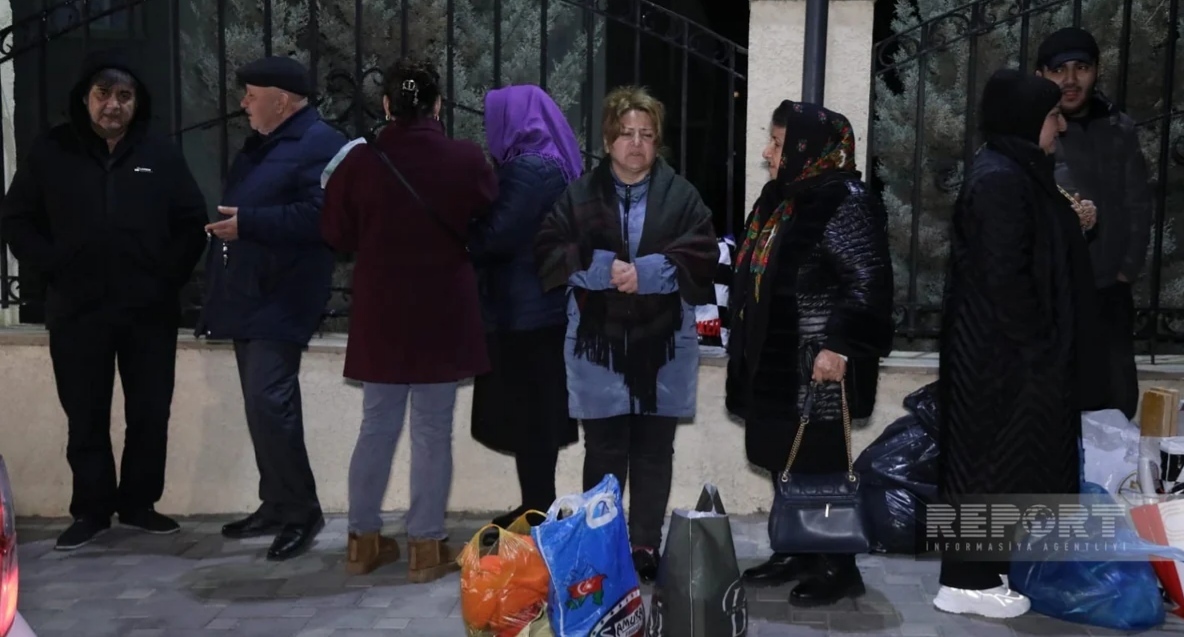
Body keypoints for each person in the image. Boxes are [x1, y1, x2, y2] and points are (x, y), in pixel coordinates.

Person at [0, 49, 207, 551]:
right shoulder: (52, 150)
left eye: (124, 95)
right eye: (103, 94)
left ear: (137, 101)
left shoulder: (161, 152)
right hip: (77, 310)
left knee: (149, 412)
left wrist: (166, 278)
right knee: (85, 415)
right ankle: (91, 510)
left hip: (149, 312)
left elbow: (190, 223)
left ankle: (139, 504)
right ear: (84, 97)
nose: (113, 105)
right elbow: (16, 219)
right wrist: (53, 265)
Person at [933, 69, 1107, 619]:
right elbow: (1004, 275)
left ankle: (987, 572)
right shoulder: (999, 179)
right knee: (985, 466)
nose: (1060, 126)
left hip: (1009, 355)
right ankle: (964, 583)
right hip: (999, 358)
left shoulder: (1016, 171)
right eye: (1052, 116)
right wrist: (1039, 343)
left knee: (1003, 466)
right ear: (1025, 120)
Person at [321, 57, 498, 580]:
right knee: (432, 431)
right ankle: (425, 545)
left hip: (381, 311)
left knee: (376, 425)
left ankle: (362, 541)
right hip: (443, 309)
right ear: (438, 105)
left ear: (386, 106)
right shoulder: (465, 158)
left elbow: (336, 233)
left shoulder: (360, 161)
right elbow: (487, 211)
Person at [534, 85, 718, 582]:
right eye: (626, 134)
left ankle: (643, 546)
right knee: (604, 450)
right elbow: (548, 249)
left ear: (658, 142)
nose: (636, 144)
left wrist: (650, 273)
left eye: (646, 135)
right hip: (598, 348)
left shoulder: (682, 196)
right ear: (607, 140)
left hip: (664, 347)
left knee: (655, 450)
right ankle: (603, 545)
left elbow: (703, 253)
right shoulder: (579, 195)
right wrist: (601, 268)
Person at [724, 100, 894, 607]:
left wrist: (840, 346)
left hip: (815, 363)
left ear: (806, 148)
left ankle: (838, 565)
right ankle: (797, 549)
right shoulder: (781, 198)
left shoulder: (844, 200)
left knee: (820, 463)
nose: (767, 153)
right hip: (774, 361)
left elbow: (868, 280)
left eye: (777, 143)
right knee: (786, 456)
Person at [197, 55, 347, 562]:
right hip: (251, 290)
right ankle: (277, 503)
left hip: (285, 292)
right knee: (260, 405)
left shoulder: (319, 143)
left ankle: (302, 511)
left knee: (269, 401)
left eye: (252, 95)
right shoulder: (265, 143)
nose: (243, 103)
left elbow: (324, 217)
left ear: (281, 102)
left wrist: (251, 224)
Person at [470, 84, 583, 528]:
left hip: (524, 313)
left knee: (530, 419)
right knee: (535, 418)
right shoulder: (551, 164)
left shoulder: (527, 170)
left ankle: (537, 508)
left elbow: (496, 235)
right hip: (541, 308)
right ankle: (535, 504)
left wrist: (464, 230)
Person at [1036, 27, 1152, 420]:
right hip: (1056, 293)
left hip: (1109, 290)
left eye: (1081, 68)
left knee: (1117, 402)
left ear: (1096, 70)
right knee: (1057, 404)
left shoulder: (1119, 127)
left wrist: (1126, 270)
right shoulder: (1034, 132)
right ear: (1041, 75)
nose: (1070, 80)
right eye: (1059, 70)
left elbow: (1138, 203)